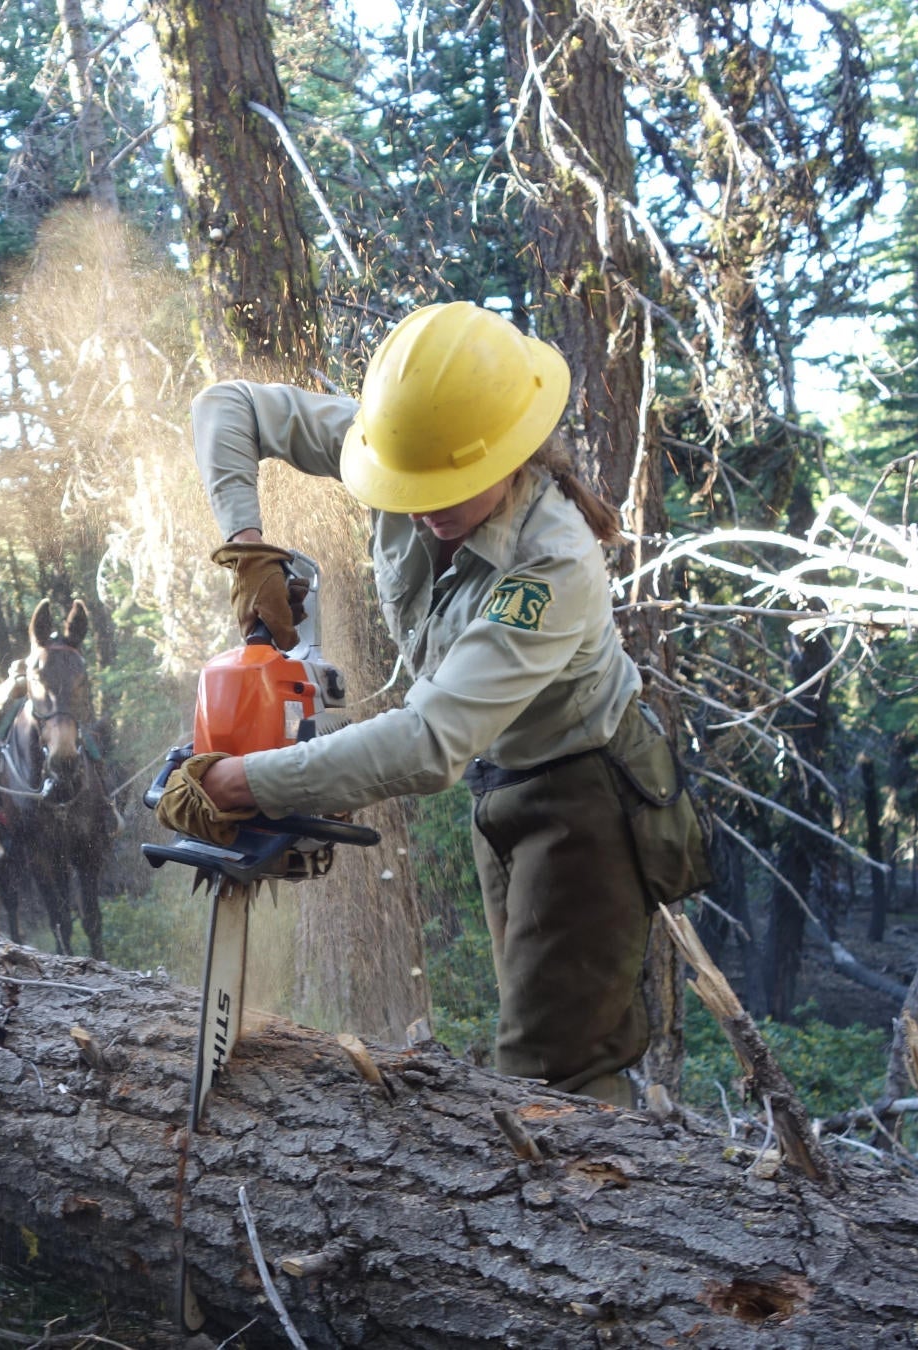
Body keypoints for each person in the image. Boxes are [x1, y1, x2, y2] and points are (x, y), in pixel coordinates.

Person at [153, 301, 710, 1107]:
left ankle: (606, 1212)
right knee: (536, 1033)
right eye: (407, 484)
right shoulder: (406, 448)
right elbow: (227, 407)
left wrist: (244, 783)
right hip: (502, 778)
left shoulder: (553, 563)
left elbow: (427, 743)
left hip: (587, 792)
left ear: (511, 453)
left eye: (447, 488)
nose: (419, 506)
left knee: (558, 1071)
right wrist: (247, 548)